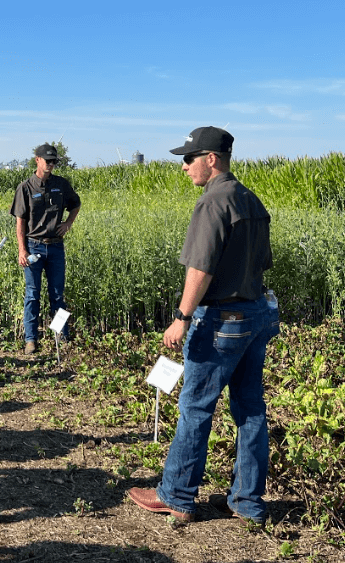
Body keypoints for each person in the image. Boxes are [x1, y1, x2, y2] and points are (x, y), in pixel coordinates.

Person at [128, 127, 278, 524]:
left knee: (195, 406)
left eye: (189, 158)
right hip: (255, 313)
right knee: (250, 409)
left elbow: (201, 267)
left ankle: (176, 495)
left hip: (220, 321)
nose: (183, 166)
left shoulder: (213, 202)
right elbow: (263, 263)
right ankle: (248, 502)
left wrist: (182, 317)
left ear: (211, 159)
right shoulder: (250, 199)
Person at [9, 143, 81, 354]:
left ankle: (61, 337)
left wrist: (68, 223)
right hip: (33, 247)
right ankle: (31, 339)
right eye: (47, 160)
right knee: (32, 294)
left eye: (53, 161)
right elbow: (20, 222)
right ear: (37, 159)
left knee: (58, 296)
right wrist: (22, 250)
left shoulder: (61, 184)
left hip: (56, 247)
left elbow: (75, 204)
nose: (50, 164)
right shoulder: (25, 187)